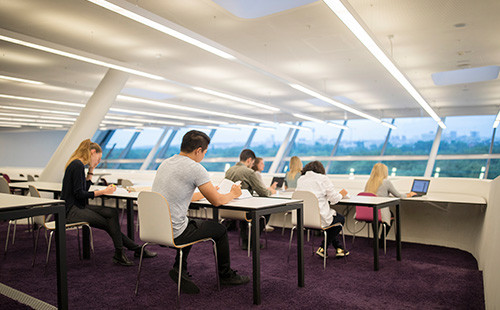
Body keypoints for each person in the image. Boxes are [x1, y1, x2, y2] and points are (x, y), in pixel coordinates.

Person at [152, 130, 249, 294]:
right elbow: (217, 201)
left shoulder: (165, 163)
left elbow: (175, 193)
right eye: (204, 152)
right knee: (220, 230)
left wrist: (204, 192)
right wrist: (233, 194)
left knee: (191, 223)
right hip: (174, 232)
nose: (203, 156)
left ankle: (179, 268)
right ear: (198, 150)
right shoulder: (195, 168)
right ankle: (225, 276)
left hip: (154, 228)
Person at [61, 139, 157, 267]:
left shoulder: (77, 164)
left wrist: (91, 170)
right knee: (109, 223)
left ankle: (132, 251)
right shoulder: (77, 165)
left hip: (77, 206)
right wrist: (104, 191)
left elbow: (84, 189)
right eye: (99, 158)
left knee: (111, 213)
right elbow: (80, 194)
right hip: (71, 211)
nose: (99, 161)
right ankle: (126, 252)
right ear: (92, 152)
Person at [296, 161, 350, 258]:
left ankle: (339, 248)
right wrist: (341, 194)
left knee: (332, 225)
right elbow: (334, 199)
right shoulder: (323, 179)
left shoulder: (301, 179)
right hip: (319, 218)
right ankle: (323, 247)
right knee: (340, 220)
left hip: (303, 218)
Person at [225, 149, 275, 249]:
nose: (252, 165)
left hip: (231, 208)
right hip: (245, 208)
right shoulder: (249, 172)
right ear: (249, 160)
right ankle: (253, 241)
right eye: (252, 163)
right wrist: (271, 191)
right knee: (267, 211)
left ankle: (245, 241)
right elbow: (263, 192)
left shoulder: (229, 170)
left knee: (245, 211)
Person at [364, 163, 416, 245]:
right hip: (380, 211)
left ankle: (376, 238)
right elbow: (398, 195)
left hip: (369, 211)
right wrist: (409, 194)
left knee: (375, 216)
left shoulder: (369, 182)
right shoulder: (386, 182)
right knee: (391, 215)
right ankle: (382, 239)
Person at [251, 157, 277, 232]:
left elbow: (262, 188)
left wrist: (270, 188)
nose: (263, 165)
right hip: (256, 202)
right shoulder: (256, 174)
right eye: (261, 163)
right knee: (268, 209)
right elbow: (263, 190)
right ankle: (259, 230)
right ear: (255, 164)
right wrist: (271, 190)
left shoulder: (255, 173)